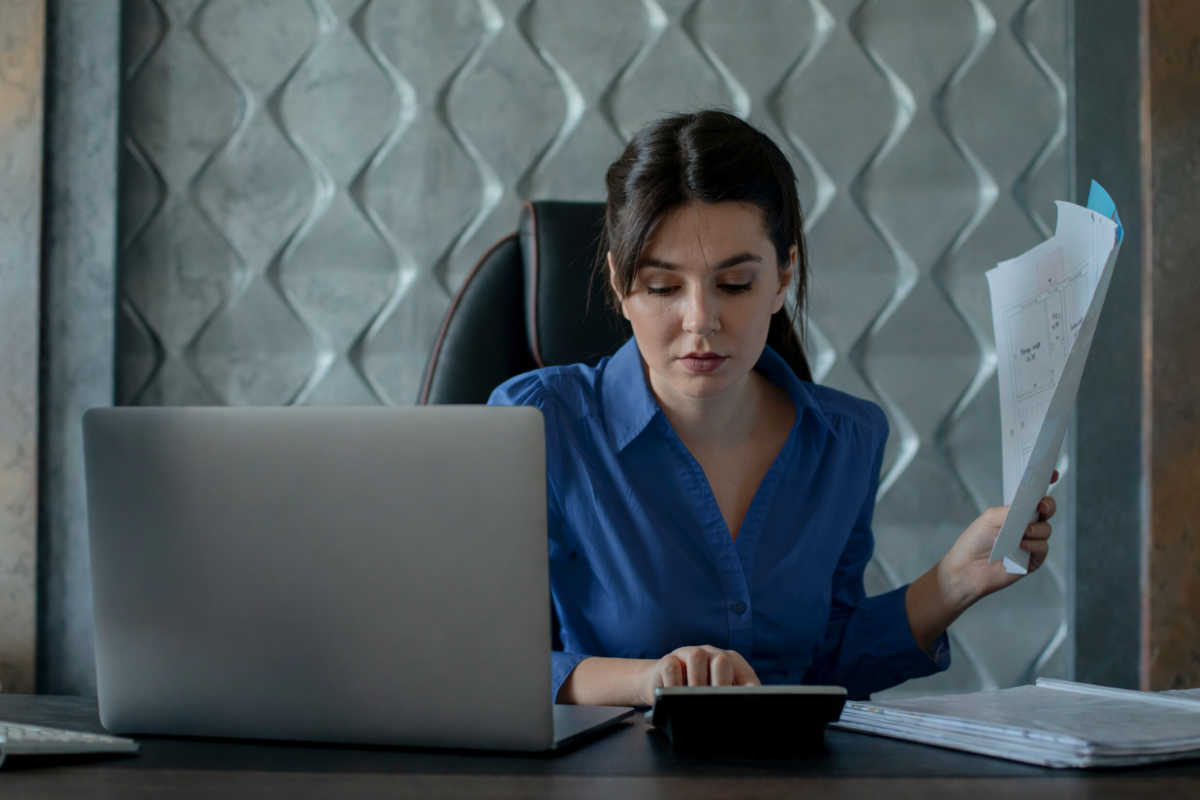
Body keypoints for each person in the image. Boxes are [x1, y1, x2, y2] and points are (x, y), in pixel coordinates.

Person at [488, 110, 1056, 707]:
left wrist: (953, 583)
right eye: (663, 287)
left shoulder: (846, 439)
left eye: (735, 285)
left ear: (783, 276)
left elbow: (827, 666)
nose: (701, 319)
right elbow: (485, 656)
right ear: (619, 284)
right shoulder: (539, 425)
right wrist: (649, 681)